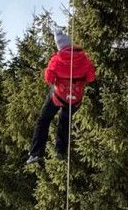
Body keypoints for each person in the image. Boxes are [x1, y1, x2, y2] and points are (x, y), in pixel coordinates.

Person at [27, 27, 96, 166]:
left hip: (59, 97)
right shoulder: (85, 59)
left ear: (59, 46)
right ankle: (60, 150)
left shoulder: (56, 60)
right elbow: (91, 78)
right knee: (65, 121)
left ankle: (36, 152)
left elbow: (48, 79)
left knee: (43, 119)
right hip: (75, 99)